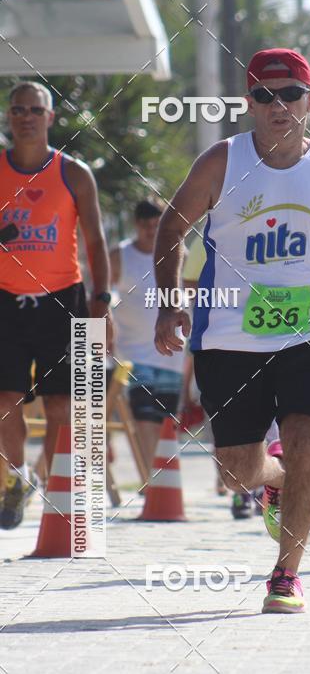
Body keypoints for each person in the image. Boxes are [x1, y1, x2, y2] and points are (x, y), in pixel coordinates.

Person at [153, 48, 310, 613]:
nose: (278, 105)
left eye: (290, 94)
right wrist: (170, 303)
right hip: (227, 333)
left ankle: (285, 575)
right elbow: (173, 226)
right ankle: (276, 477)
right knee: (236, 469)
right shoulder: (221, 161)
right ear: (250, 103)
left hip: (309, 331)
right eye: (265, 94)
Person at [0, 81, 111, 529]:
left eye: (34, 109)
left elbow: (96, 242)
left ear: (50, 117)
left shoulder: (74, 172)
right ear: (9, 117)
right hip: (6, 299)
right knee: (5, 401)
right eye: (17, 109)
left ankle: (55, 488)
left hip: (64, 299)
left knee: (62, 406)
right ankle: (16, 478)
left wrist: (102, 302)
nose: (25, 116)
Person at [110, 199, 184, 473]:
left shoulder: (179, 253)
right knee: (143, 417)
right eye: (146, 225)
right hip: (132, 354)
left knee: (166, 420)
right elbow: (101, 293)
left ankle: (161, 482)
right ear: (136, 225)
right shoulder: (120, 255)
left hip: (171, 353)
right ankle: (150, 480)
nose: (152, 231)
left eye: (157, 225)